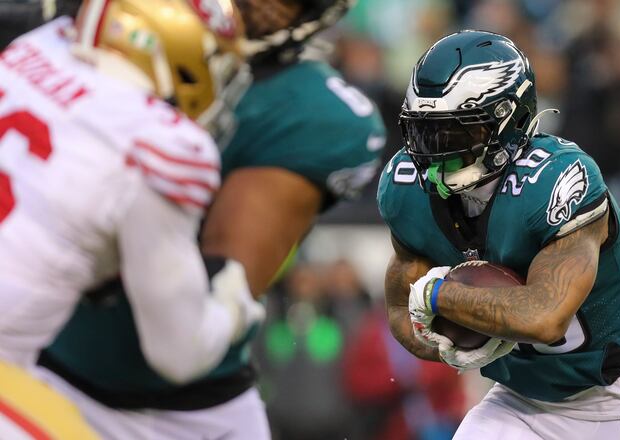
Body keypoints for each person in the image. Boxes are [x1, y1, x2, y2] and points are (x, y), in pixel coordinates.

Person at [36, 0, 386, 438]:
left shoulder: (313, 111)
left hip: (188, 411)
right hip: (42, 358)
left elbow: (201, 317)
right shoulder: (103, 20)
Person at [377, 30, 620, 440]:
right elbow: (401, 308)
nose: (434, 151)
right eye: (425, 132)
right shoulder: (406, 187)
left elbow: (544, 318)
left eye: (454, 132)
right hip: (519, 398)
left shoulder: (555, 180)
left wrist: (438, 295)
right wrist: (449, 346)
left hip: (615, 399)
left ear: (508, 118)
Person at [0, 0, 261, 437]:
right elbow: (178, 353)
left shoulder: (34, 48)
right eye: (212, 57)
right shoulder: (163, 146)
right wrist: (233, 307)